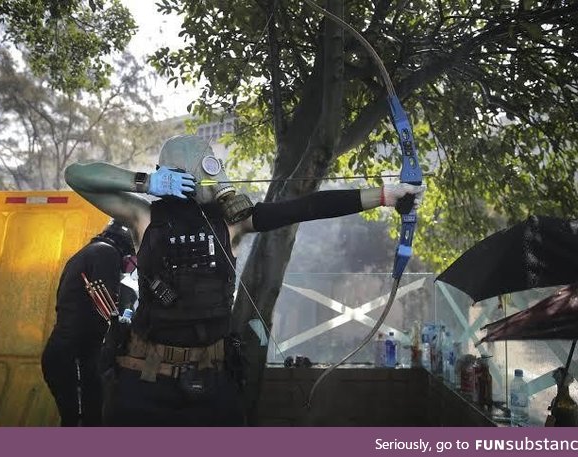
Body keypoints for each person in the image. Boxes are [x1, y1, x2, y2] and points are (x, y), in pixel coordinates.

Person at [64, 134, 425, 426]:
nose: (211, 173)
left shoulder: (232, 222)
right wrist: (144, 181)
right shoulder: (143, 216)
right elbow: (77, 175)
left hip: (211, 384)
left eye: (211, 165)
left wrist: (385, 196)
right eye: (202, 167)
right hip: (143, 384)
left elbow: (307, 207)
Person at [41, 220, 135, 426]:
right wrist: (128, 325)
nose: (129, 268)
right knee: (84, 422)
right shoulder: (106, 254)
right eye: (131, 260)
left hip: (69, 354)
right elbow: (107, 310)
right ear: (125, 246)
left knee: (78, 419)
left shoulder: (90, 252)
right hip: (73, 357)